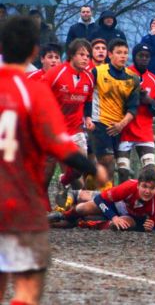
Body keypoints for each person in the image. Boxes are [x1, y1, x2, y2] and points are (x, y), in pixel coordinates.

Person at [0, 16, 98, 305]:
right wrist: (95, 168)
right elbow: (60, 147)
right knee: (28, 284)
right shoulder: (34, 91)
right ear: (34, 52)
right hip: (18, 201)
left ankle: (67, 198)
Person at [42, 39, 97, 197]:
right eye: (81, 54)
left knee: (81, 166)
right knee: (47, 169)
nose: (85, 58)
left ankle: (63, 182)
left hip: (75, 129)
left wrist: (87, 117)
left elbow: (88, 101)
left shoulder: (89, 77)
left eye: (88, 55)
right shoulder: (56, 73)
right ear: (72, 55)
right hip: (53, 129)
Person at [85, 38, 140, 185]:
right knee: (107, 161)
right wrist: (87, 117)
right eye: (119, 53)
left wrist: (121, 124)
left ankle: (85, 195)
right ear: (110, 54)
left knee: (107, 166)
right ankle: (106, 200)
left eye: (125, 53)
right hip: (99, 123)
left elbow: (133, 108)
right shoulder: (97, 72)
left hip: (118, 127)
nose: (123, 56)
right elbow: (86, 96)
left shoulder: (133, 78)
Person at [54, 166, 155, 232]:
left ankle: (82, 223)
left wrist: (151, 227)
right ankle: (64, 214)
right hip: (116, 203)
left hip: (130, 216)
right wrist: (113, 216)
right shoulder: (129, 186)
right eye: (144, 186)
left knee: (121, 226)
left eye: (152, 188)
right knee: (83, 208)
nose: (147, 191)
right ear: (138, 185)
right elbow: (100, 199)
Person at [117, 43, 155, 183]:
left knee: (150, 171)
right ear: (134, 57)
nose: (144, 59)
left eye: (147, 56)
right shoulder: (122, 75)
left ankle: (142, 200)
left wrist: (149, 101)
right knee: (123, 172)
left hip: (144, 133)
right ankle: (122, 202)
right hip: (124, 132)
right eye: (141, 55)